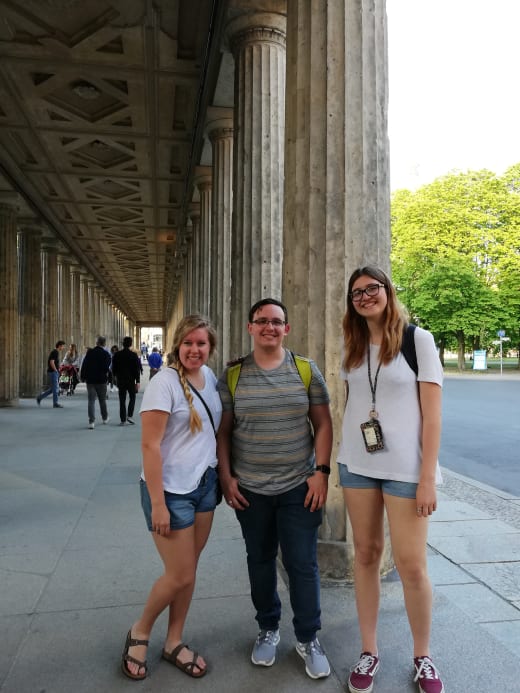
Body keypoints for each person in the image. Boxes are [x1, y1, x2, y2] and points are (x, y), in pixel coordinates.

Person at [337, 266, 444, 693]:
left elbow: (433, 415)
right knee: (365, 555)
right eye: (357, 293)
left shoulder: (419, 341)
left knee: (411, 566)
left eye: (372, 288)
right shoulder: (353, 343)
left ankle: (423, 656)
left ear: (388, 291)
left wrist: (427, 478)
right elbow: (354, 402)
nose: (365, 297)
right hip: (358, 466)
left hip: (406, 470)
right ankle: (369, 649)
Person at [216, 298, 333, 680]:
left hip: (300, 486)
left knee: (302, 564)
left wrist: (322, 471)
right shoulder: (232, 376)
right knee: (260, 560)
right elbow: (224, 432)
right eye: (262, 321)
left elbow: (324, 423)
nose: (269, 326)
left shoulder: (305, 371)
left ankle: (308, 637)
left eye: (276, 321)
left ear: (286, 329)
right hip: (250, 489)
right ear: (250, 327)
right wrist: (226, 477)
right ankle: (267, 628)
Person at [121, 315, 221, 681]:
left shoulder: (209, 379)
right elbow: (149, 445)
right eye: (189, 343)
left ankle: (174, 640)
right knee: (180, 573)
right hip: (170, 492)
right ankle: (141, 630)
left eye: (202, 343)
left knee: (188, 571)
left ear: (210, 347)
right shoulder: (164, 384)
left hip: (204, 485)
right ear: (177, 345)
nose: (195, 349)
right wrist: (158, 502)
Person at [80, 335, 112, 429]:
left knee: (91, 401)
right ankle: (105, 418)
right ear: (104, 344)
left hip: (90, 380)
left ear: (96, 343)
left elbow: (84, 365)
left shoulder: (90, 353)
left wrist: (83, 377)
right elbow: (107, 368)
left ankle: (91, 422)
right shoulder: (106, 354)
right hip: (101, 380)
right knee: (102, 400)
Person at [111, 336, 142, 425]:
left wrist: (115, 378)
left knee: (122, 400)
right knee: (132, 397)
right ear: (130, 344)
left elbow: (114, 369)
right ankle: (130, 415)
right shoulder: (133, 355)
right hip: (131, 380)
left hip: (121, 380)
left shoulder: (117, 355)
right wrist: (138, 381)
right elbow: (137, 369)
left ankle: (123, 419)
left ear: (123, 344)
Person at [36, 340, 66, 408]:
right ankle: (55, 403)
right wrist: (56, 371)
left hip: (52, 372)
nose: (63, 348)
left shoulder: (55, 352)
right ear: (60, 346)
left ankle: (39, 397)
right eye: (63, 346)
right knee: (55, 389)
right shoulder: (55, 352)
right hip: (53, 372)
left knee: (52, 389)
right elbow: (51, 362)